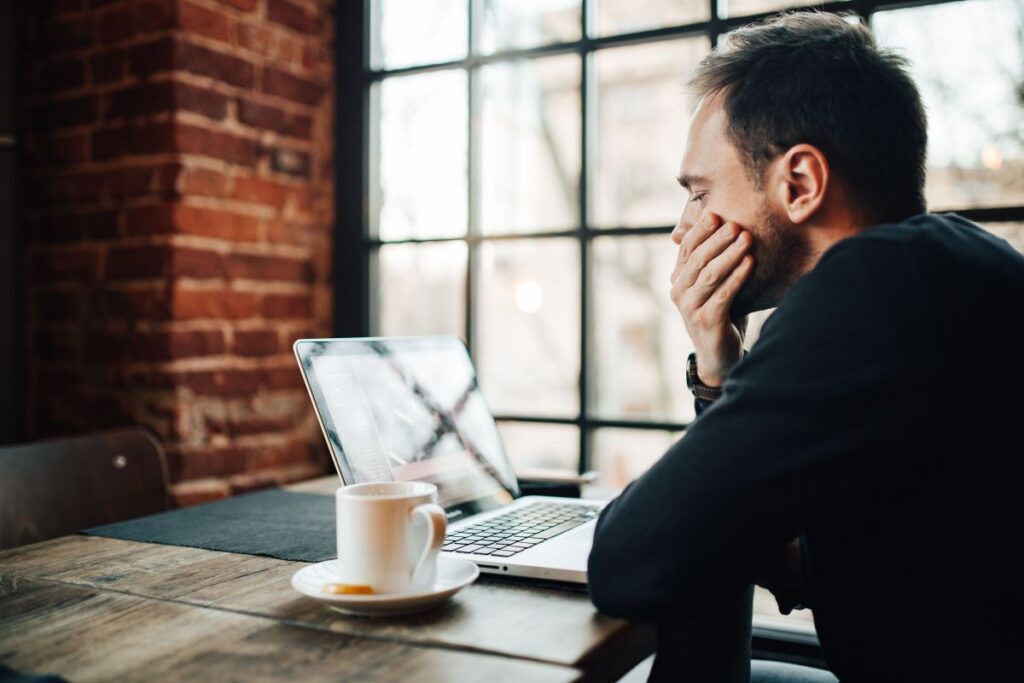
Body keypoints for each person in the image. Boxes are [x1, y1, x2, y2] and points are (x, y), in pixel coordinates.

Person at [587, 11, 1024, 683]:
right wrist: (718, 369)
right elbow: (764, 535)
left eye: (700, 193)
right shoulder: (940, 266)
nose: (684, 231)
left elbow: (629, 563)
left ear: (799, 184)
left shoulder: (873, 286)